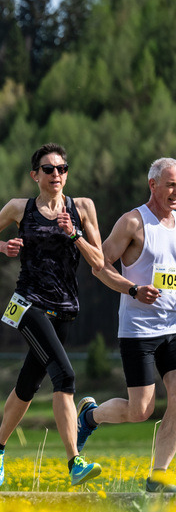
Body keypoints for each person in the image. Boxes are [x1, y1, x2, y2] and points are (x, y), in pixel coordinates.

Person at [0, 143, 105, 487]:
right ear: (35, 175)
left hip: (64, 307)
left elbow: (99, 261)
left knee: (29, 385)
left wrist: (74, 234)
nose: (56, 175)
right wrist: (4, 246)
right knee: (64, 377)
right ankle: (74, 462)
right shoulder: (20, 208)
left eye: (62, 168)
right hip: (28, 303)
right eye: (48, 169)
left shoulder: (82, 208)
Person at [77, 158, 176, 492]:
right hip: (138, 332)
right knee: (141, 411)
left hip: (172, 328)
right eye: (171, 185)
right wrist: (133, 289)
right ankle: (90, 416)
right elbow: (98, 265)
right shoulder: (133, 223)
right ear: (153, 185)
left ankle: (158, 477)